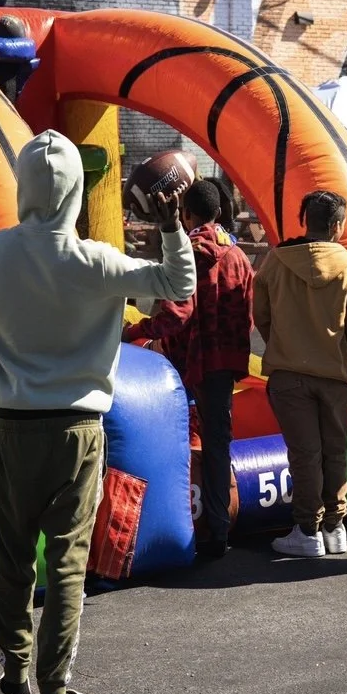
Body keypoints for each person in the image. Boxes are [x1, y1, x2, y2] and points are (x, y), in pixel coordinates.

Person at [0, 129, 196, 694]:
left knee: (11, 558)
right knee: (66, 562)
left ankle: (13, 679)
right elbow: (179, 286)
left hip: (11, 428)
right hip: (79, 430)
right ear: (76, 194)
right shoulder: (98, 260)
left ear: (25, 188)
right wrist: (171, 227)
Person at [122, 179, 255, 558]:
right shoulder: (238, 254)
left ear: (186, 213)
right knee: (216, 445)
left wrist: (134, 332)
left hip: (183, 366)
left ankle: (171, 526)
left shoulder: (189, 253)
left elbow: (177, 314)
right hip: (223, 365)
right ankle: (218, 529)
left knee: (168, 444)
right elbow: (246, 314)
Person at [253, 190, 347, 559]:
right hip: (335, 375)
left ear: (306, 220)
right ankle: (335, 527)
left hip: (289, 375)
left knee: (305, 455)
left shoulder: (276, 262)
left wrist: (283, 345)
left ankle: (307, 529)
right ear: (337, 226)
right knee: (334, 452)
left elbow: (262, 315)